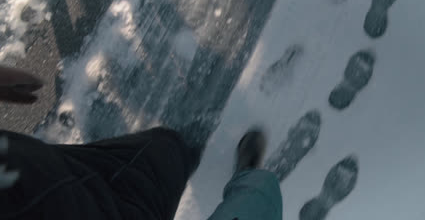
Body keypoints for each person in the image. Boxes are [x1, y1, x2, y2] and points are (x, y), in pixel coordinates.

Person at [0, 65, 282, 220]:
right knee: (163, 159)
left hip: (41, 172)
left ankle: (184, 150)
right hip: (128, 207)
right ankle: (245, 174)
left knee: (163, 152)